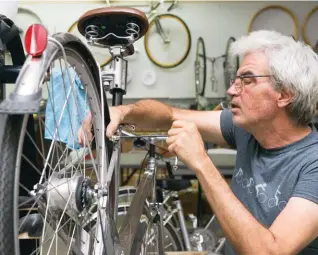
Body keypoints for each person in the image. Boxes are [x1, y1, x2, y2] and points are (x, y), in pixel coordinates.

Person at [79, 30, 318, 254]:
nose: (231, 90)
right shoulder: (246, 130)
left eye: (247, 80)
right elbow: (170, 115)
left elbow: (268, 251)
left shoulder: (313, 164)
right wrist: (123, 111)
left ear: (285, 95)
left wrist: (201, 163)